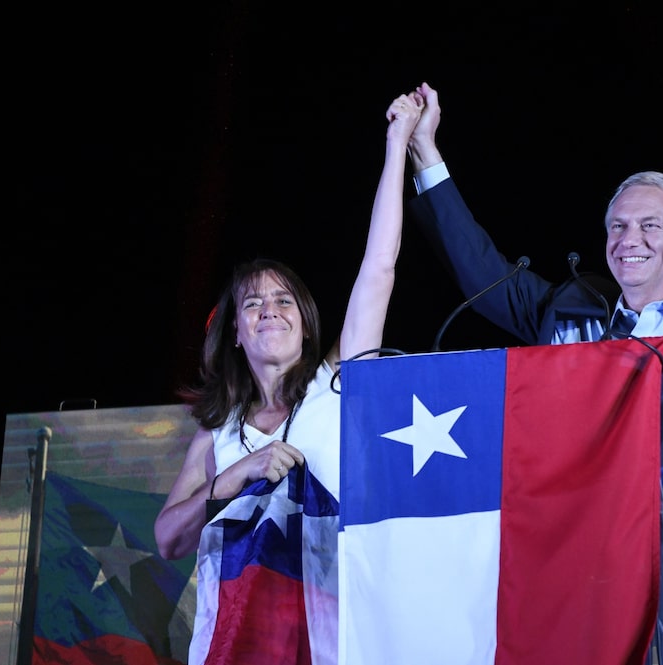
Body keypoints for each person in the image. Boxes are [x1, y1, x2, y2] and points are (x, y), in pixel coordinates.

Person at [403, 82, 663, 665]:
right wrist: (425, 151)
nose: (627, 241)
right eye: (617, 227)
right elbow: (477, 266)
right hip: (572, 579)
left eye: (649, 226)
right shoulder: (565, 309)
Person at [154, 91, 424, 663]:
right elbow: (168, 539)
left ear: (305, 326)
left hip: (327, 646)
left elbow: (379, 268)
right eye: (252, 304)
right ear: (234, 332)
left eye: (284, 301)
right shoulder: (217, 432)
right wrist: (236, 476)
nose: (269, 310)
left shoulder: (336, 387)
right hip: (230, 649)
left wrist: (396, 144)